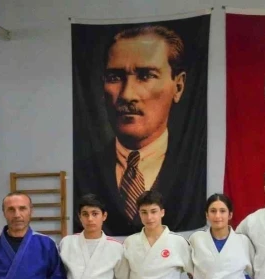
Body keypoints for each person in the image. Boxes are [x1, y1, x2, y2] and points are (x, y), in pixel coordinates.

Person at [74, 24, 205, 235]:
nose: (127, 95)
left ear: (178, 86)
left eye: (146, 76)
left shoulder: (197, 168)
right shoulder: (83, 171)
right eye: (115, 78)